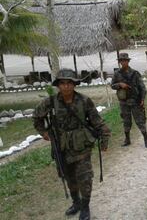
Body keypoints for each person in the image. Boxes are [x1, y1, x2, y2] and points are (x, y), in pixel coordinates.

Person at [32, 69, 110, 220]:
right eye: (62, 83)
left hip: (82, 146)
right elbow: (36, 116)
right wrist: (44, 132)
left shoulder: (84, 101)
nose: (66, 87)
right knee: (69, 177)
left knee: (85, 177)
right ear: (58, 85)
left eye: (69, 83)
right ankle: (76, 202)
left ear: (74, 84)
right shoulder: (51, 101)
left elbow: (97, 121)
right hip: (61, 147)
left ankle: (85, 207)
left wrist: (104, 138)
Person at [111, 53, 147, 148]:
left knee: (140, 121)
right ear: (119, 62)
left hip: (135, 101)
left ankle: (146, 140)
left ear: (128, 61)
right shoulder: (117, 74)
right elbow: (112, 85)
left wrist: (142, 99)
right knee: (126, 121)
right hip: (124, 102)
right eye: (121, 61)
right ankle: (127, 139)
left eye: (125, 60)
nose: (123, 62)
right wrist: (120, 84)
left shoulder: (135, 73)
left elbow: (142, 87)